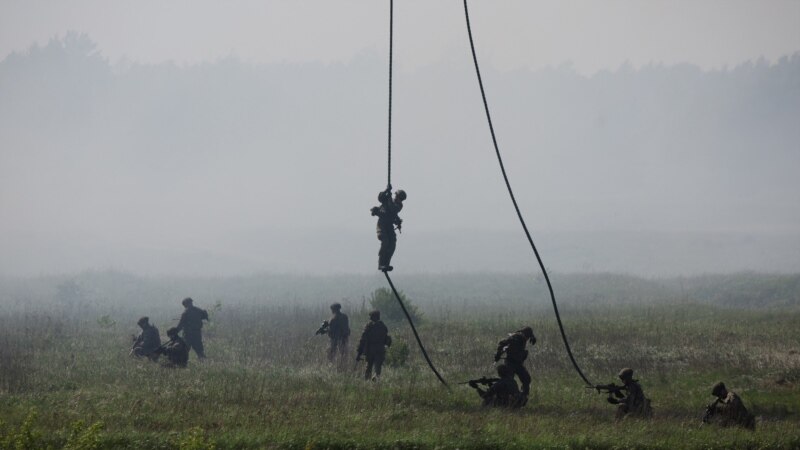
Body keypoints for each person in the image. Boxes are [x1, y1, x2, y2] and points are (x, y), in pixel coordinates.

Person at [494, 326, 536, 404]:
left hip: (518, 363)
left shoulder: (523, 337)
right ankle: (506, 399)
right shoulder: (516, 337)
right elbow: (503, 344)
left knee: (526, 379)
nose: (527, 339)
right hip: (510, 363)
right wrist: (499, 354)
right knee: (508, 381)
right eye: (528, 337)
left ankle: (523, 397)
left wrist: (532, 337)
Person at [370, 185, 406, 272]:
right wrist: (386, 190)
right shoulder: (388, 199)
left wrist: (389, 198)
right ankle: (381, 264)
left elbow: (393, 209)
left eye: (399, 198)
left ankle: (386, 264)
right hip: (382, 224)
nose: (397, 199)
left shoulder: (399, 205)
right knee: (385, 241)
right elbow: (380, 197)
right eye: (397, 197)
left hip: (389, 226)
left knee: (392, 244)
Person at [356, 310, 392, 381]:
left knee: (369, 366)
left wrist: (359, 352)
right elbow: (386, 339)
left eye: (371, 316)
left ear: (374, 317)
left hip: (370, 349)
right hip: (380, 349)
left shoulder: (369, 326)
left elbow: (363, 340)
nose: (370, 318)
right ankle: (375, 377)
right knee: (378, 366)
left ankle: (367, 381)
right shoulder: (383, 326)